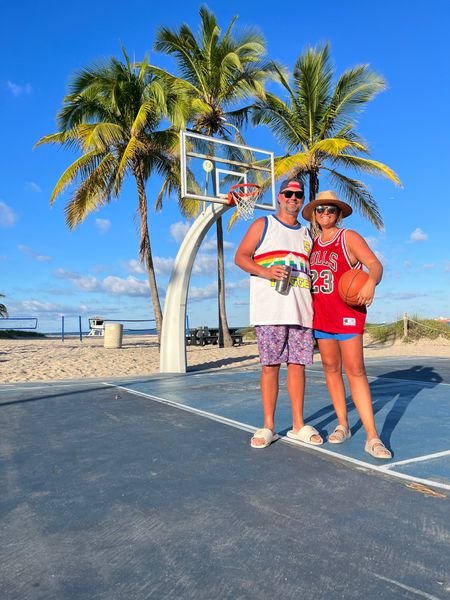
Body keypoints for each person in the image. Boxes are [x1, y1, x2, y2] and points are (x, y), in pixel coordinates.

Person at [302, 190, 392, 459]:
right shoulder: (311, 244)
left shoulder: (348, 237)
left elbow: (374, 265)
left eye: (331, 209)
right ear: (315, 215)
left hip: (348, 313)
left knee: (355, 370)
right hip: (321, 315)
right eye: (320, 210)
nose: (325, 213)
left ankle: (372, 436)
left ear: (339, 213)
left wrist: (370, 283)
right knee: (331, 368)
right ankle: (343, 424)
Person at [235, 178, 322, 448]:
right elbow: (241, 257)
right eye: (289, 193)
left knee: (297, 367)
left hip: (301, 311)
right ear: (280, 197)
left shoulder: (307, 234)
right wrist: (266, 271)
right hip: (270, 311)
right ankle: (269, 426)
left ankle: (298, 425)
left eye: (298, 194)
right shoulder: (264, 224)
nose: (294, 198)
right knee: (270, 367)